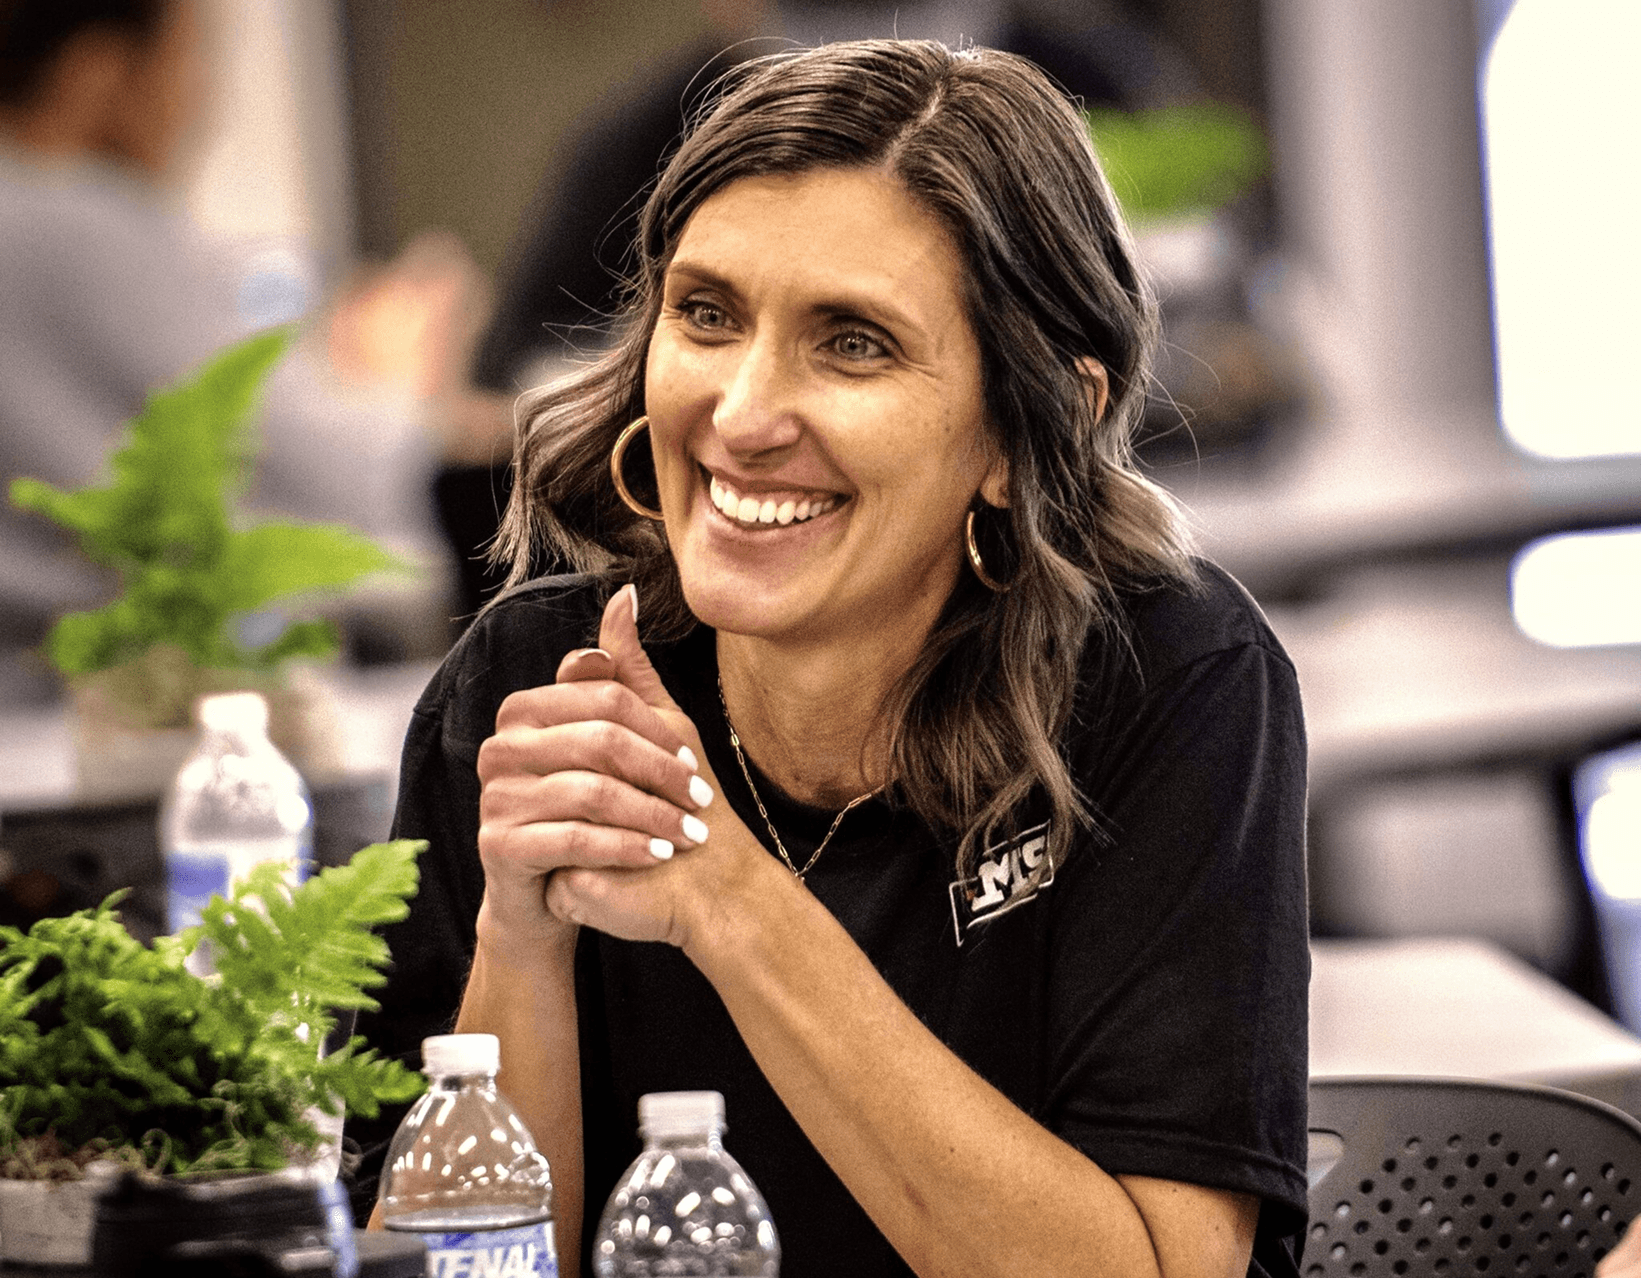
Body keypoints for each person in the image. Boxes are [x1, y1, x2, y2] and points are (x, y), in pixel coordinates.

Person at [350, 39, 1310, 1278]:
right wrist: (519, 948)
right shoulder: (536, 687)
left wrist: (732, 901)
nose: (742, 415)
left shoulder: (1167, 680)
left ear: (1035, 424)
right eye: (706, 314)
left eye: (853, 343)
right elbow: (442, 1265)